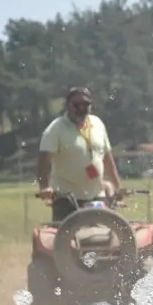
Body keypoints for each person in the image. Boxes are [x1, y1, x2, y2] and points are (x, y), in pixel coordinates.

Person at [36, 87, 123, 222]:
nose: (81, 108)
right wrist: (44, 187)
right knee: (66, 239)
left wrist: (118, 187)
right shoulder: (55, 129)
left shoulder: (98, 124)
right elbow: (44, 162)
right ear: (67, 106)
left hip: (97, 195)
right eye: (76, 105)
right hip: (66, 199)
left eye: (86, 104)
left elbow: (107, 158)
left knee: (104, 235)